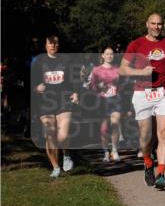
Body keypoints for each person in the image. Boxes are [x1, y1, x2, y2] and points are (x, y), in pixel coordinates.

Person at [119, 13, 165, 190]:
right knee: (146, 136)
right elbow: (123, 70)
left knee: (164, 132)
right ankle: (147, 162)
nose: (156, 27)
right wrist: (141, 72)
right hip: (142, 93)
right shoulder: (136, 44)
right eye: (153, 23)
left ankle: (161, 174)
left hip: (164, 91)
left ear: (164, 24)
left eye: (159, 24)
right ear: (147, 24)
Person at [34, 34, 79, 178]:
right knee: (50, 136)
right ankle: (55, 167)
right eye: (50, 43)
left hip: (64, 101)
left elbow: (75, 78)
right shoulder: (39, 61)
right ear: (45, 45)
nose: (53, 46)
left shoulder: (66, 60)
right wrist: (36, 88)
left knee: (63, 135)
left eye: (56, 43)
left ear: (58, 45)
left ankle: (66, 154)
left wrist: (76, 93)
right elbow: (30, 83)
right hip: (45, 103)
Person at [89, 46, 121, 162]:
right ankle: (106, 152)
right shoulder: (96, 70)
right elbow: (92, 86)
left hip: (115, 99)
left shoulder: (117, 69)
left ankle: (115, 150)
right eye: (107, 54)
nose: (109, 56)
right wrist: (99, 87)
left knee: (115, 124)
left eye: (111, 54)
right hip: (102, 101)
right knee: (104, 128)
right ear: (102, 56)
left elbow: (122, 85)